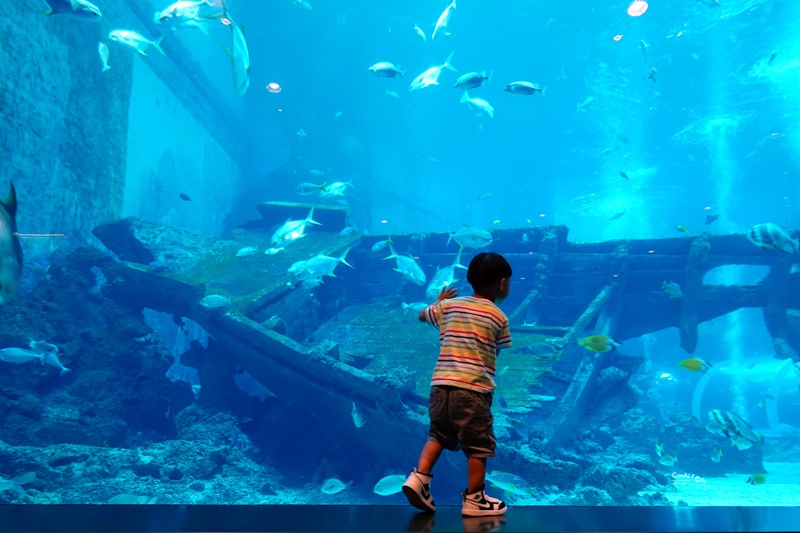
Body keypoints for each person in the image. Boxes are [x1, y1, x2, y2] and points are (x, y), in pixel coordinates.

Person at [402, 252, 512, 517]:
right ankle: (475, 499)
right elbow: (495, 352)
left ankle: (419, 479)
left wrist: (438, 302)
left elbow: (422, 316)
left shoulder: (448, 306)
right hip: (473, 390)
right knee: (478, 445)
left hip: (440, 387)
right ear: (501, 284)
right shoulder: (499, 317)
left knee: (438, 435)